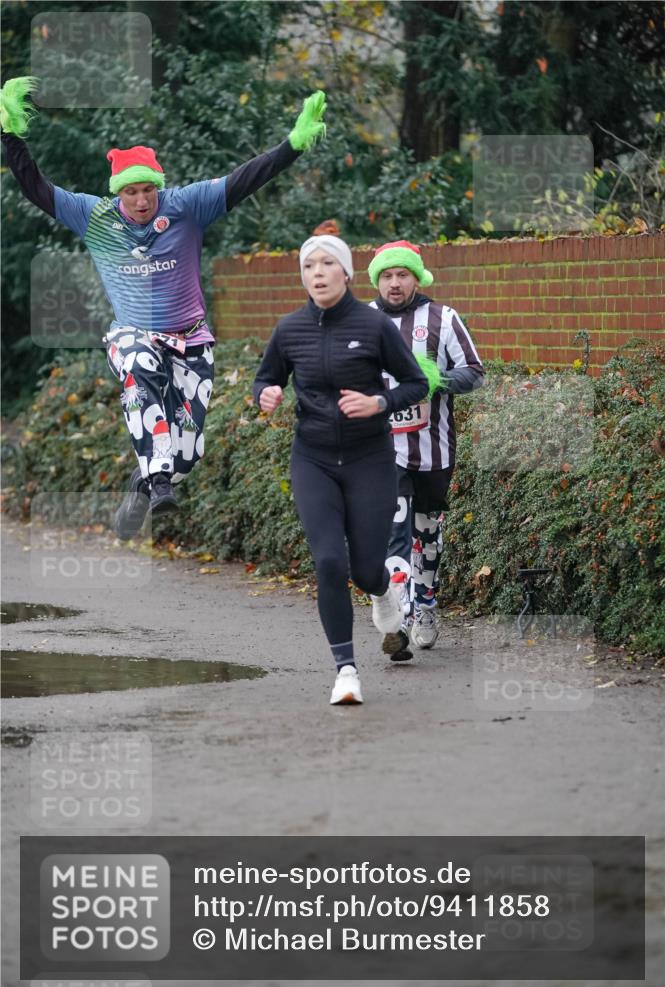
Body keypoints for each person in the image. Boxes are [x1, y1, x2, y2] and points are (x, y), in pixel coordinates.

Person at [0, 76, 326, 537]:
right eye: (130, 192)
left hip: (191, 338)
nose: (140, 200)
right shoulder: (93, 216)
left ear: (159, 188)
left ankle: (145, 483)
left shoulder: (189, 205)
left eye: (147, 191)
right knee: (138, 362)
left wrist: (292, 145)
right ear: (118, 192)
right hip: (133, 334)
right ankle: (156, 478)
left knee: (187, 455)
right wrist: (10, 138)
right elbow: (36, 187)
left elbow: (246, 178)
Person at [253, 235, 428, 705]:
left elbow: (415, 384)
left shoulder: (373, 327)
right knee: (329, 561)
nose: (318, 272)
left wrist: (379, 402)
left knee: (368, 568)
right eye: (310, 265)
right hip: (313, 460)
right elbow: (266, 377)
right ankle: (346, 670)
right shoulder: (289, 329)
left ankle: (383, 594)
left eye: (328, 263)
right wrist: (265, 394)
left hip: (370, 460)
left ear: (346, 273)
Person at [368, 240, 484, 660]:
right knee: (393, 530)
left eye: (402, 275)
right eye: (386, 275)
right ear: (377, 281)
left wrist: (434, 379)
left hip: (433, 448)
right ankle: (397, 615)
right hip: (382, 449)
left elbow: (475, 372)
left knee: (426, 531)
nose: (394, 283)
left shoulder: (442, 318)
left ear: (417, 278)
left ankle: (427, 605)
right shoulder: (362, 320)